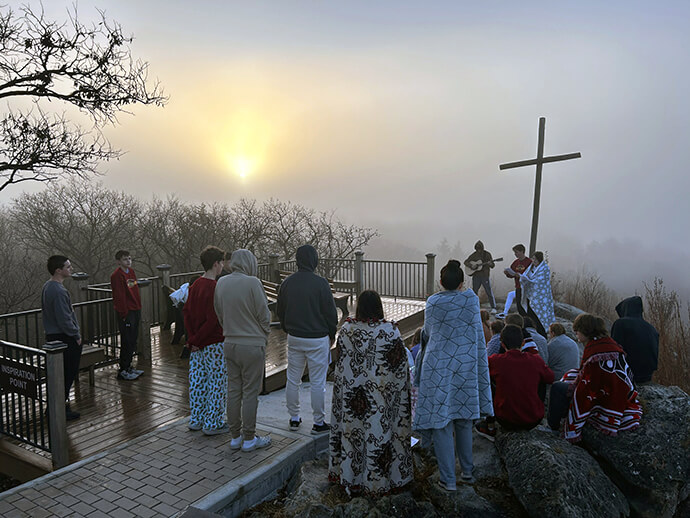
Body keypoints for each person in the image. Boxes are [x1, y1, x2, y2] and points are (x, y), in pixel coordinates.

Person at [413, 260, 493, 490]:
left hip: (437, 366)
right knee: (464, 420)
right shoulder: (470, 299)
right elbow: (476, 333)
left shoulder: (433, 302)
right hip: (465, 364)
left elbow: (427, 335)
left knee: (442, 423)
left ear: (440, 282)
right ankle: (468, 473)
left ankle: (448, 480)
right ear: (462, 282)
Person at [329, 290, 412, 495]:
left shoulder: (347, 329)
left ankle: (351, 479)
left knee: (353, 437)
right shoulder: (390, 331)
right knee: (379, 436)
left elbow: (340, 364)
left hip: (352, 401)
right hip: (380, 400)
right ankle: (382, 481)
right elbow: (400, 369)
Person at [547, 314, 642, 442]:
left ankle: (553, 427)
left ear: (586, 330)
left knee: (557, 388)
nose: (576, 333)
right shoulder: (608, 343)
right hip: (620, 391)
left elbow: (589, 385)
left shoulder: (595, 353)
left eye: (578, 330)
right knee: (570, 374)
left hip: (605, 396)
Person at [214, 249, 272, 452]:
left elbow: (219, 312)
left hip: (229, 343)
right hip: (252, 345)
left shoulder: (221, 282)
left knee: (233, 390)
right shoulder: (253, 283)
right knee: (249, 393)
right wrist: (264, 334)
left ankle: (235, 437)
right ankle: (249, 438)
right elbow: (264, 314)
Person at [277, 244, 338, 435]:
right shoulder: (321, 284)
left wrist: (288, 329)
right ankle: (318, 422)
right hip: (317, 339)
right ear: (314, 260)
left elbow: (281, 310)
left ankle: (294, 418)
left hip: (294, 337)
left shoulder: (287, 283)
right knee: (317, 382)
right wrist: (331, 335)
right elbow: (330, 314)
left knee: (292, 379)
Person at [475, 325, 554, 440]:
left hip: (505, 419)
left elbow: (480, 372)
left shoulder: (495, 361)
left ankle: (490, 427)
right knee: (541, 378)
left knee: (488, 381)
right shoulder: (535, 360)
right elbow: (550, 378)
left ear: (502, 344)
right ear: (523, 343)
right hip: (533, 419)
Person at [183, 246, 228, 435]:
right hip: (213, 343)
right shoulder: (215, 288)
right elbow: (213, 319)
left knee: (198, 382)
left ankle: (197, 419)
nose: (223, 266)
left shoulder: (195, 285)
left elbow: (186, 312)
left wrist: (192, 339)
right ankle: (213, 423)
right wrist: (199, 339)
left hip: (195, 344)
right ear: (216, 264)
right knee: (217, 382)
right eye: (222, 262)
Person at [41, 255, 82, 420]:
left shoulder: (48, 286)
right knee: (66, 374)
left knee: (58, 375)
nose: (71, 269)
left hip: (53, 336)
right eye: (68, 267)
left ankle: (55, 407)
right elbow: (64, 318)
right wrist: (76, 335)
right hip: (64, 338)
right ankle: (57, 410)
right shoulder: (58, 291)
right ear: (59, 270)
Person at [110, 250, 144, 381]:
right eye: (125, 259)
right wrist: (123, 313)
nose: (128, 261)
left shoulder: (131, 272)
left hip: (135, 309)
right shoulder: (116, 276)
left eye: (129, 258)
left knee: (133, 339)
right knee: (127, 340)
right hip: (127, 312)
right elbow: (119, 296)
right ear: (118, 261)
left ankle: (129, 366)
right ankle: (123, 369)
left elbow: (132, 288)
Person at [611, 296, 659, 384]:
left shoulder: (621, 323)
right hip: (647, 376)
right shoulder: (651, 328)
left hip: (628, 373)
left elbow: (614, 351)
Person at [519, 251, 554, 337]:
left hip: (541, 296)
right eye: (532, 258)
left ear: (539, 259)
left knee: (540, 317)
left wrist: (529, 280)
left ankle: (542, 333)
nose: (533, 260)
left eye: (535, 259)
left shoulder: (544, 268)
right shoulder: (531, 268)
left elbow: (540, 282)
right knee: (531, 315)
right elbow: (526, 276)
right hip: (530, 296)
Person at [464, 241, 497, 313]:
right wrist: (471, 265)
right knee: (474, 292)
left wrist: (490, 264)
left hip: (485, 276)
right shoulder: (474, 255)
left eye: (480, 248)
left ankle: (493, 307)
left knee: (488, 291)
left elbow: (492, 265)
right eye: (477, 249)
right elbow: (466, 262)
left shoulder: (487, 254)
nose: (478, 250)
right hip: (476, 276)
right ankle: (474, 306)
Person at [503, 244, 532, 316]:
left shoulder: (529, 262)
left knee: (527, 305)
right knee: (519, 305)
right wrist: (507, 273)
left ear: (522, 251)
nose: (515, 254)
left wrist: (520, 276)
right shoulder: (515, 262)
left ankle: (528, 320)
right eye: (514, 252)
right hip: (518, 286)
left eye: (517, 252)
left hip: (527, 288)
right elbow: (511, 274)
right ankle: (522, 320)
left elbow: (531, 275)